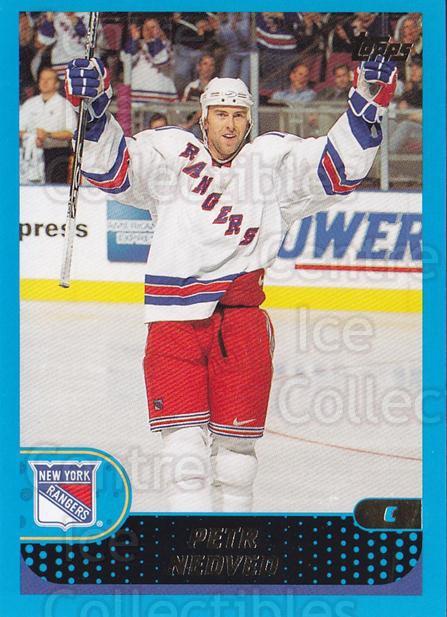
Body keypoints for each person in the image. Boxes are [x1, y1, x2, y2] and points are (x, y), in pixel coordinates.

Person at [64, 55, 397, 512]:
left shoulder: (272, 163)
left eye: (238, 115)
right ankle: (189, 544)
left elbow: (336, 169)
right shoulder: (171, 154)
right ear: (204, 118)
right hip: (174, 322)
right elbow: (114, 169)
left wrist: (366, 105)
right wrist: (94, 108)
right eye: (221, 113)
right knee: (184, 456)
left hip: (241, 324)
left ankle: (234, 540)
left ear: (249, 121)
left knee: (236, 460)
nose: (230, 124)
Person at [20, 67, 76, 184]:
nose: (44, 82)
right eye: (42, 79)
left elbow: (71, 133)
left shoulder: (65, 105)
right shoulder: (29, 104)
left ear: (56, 84)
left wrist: (48, 135)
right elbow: (19, 129)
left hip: (56, 154)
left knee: (54, 189)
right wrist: (32, 138)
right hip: (31, 154)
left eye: (49, 79)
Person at [123, 18, 178, 104]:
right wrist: (133, 39)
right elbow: (126, 59)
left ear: (160, 30)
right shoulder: (138, 45)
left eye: (153, 27)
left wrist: (155, 39)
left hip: (160, 96)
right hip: (137, 96)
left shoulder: (167, 46)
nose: (149, 31)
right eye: (146, 28)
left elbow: (160, 60)